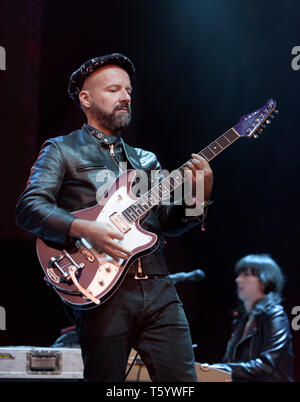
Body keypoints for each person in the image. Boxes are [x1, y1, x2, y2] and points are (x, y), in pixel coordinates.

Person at [16, 53, 213, 382]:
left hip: (157, 285)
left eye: (128, 91)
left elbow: (167, 223)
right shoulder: (62, 150)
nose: (125, 97)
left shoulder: (145, 160)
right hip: (100, 290)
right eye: (113, 90)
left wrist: (199, 196)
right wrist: (84, 228)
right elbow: (29, 207)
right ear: (86, 99)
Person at [211, 254, 294, 382]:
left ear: (265, 280)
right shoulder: (240, 320)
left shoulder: (275, 315)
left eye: (246, 274)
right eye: (238, 275)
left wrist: (220, 369)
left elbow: (266, 365)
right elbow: (231, 362)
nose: (238, 280)